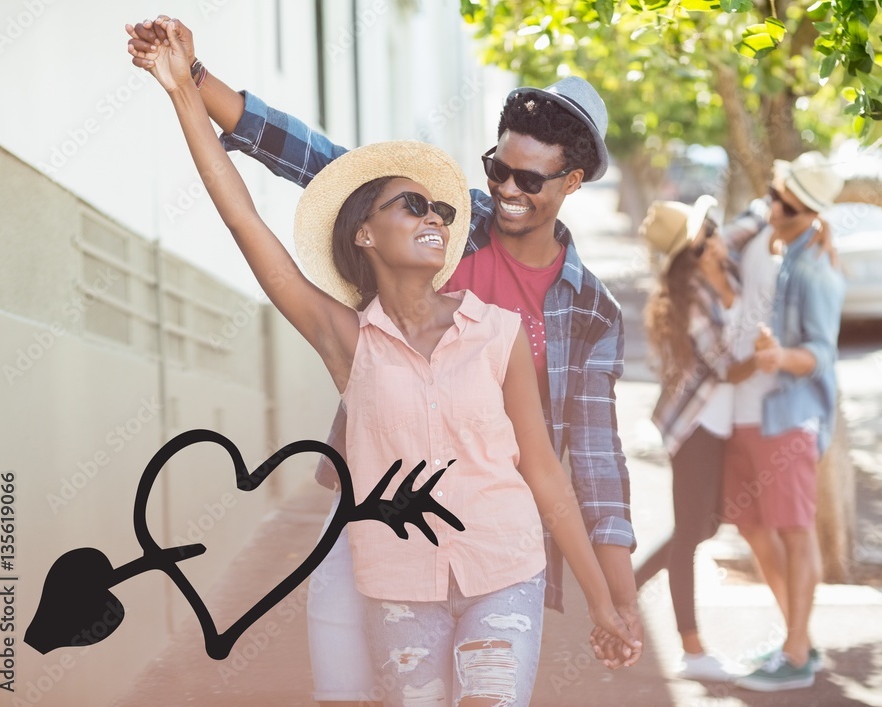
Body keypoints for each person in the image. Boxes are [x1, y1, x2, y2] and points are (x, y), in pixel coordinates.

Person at [126, 14, 644, 702]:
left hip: (497, 543)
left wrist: (614, 597)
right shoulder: (439, 231)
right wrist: (190, 84)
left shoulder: (575, 313)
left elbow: (586, 468)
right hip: (380, 525)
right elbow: (306, 168)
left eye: (531, 178)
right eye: (499, 170)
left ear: (571, 181)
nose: (508, 190)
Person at [721, 152, 845, 692]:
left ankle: (795, 652)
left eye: (781, 203)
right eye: (772, 197)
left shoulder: (815, 268)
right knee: (749, 522)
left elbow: (821, 352)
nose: (770, 208)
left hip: (789, 417)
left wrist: (780, 357)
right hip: (753, 414)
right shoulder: (788, 243)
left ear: (804, 215)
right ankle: (799, 638)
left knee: (796, 533)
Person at [641, 196, 754, 682]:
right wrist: (772, 358)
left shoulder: (713, 271)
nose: (716, 235)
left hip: (712, 423)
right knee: (692, 532)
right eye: (705, 232)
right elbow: (727, 367)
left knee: (707, 524)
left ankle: (627, 586)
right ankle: (692, 649)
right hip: (695, 428)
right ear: (691, 249)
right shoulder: (689, 294)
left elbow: (752, 223)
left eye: (712, 226)